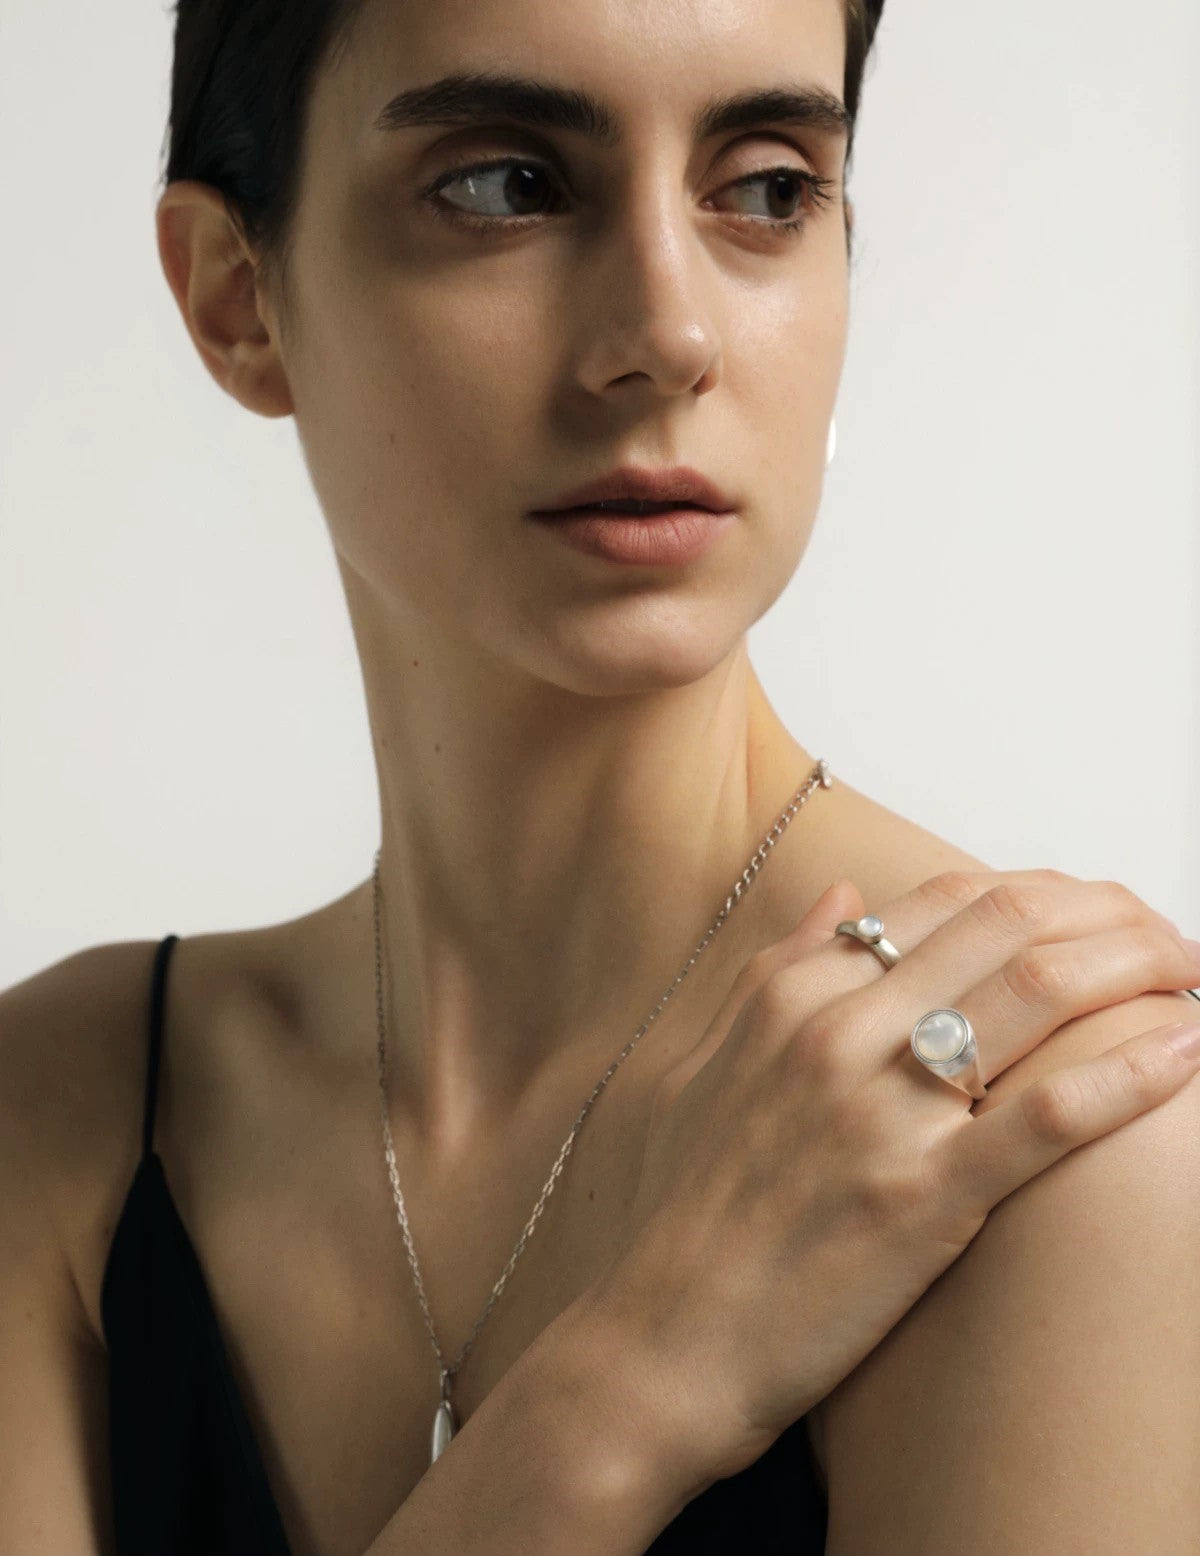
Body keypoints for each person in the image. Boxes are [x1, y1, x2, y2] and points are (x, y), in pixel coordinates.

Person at [3, 1, 1200, 1552]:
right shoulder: (63, 1116)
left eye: (767, 187)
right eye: (507, 184)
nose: (670, 334)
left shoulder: (1038, 1130)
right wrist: (630, 1387)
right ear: (240, 301)